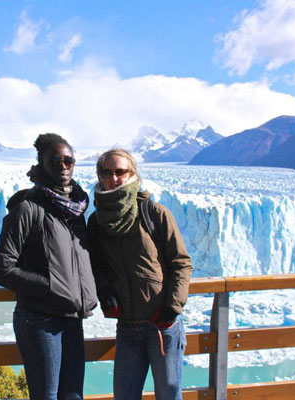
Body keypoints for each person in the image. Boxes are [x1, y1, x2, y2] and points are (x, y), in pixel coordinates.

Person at [0, 133, 98, 400]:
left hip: (72, 319)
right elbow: (2, 268)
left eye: (68, 160)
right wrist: (47, 287)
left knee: (73, 396)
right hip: (40, 320)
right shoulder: (27, 208)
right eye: (55, 161)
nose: (63, 166)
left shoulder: (76, 209)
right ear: (41, 164)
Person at [87, 148, 193, 400]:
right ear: (99, 176)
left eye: (120, 171)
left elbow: (181, 262)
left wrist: (171, 309)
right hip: (127, 328)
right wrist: (106, 295)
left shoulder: (154, 213)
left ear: (132, 173)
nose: (114, 178)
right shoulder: (97, 221)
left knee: (168, 396)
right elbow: (97, 266)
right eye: (107, 172)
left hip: (162, 327)